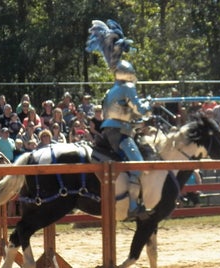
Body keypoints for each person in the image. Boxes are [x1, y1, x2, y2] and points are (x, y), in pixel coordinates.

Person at [87, 20, 151, 220]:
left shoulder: (111, 90)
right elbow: (139, 110)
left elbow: (121, 112)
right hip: (120, 132)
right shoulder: (127, 88)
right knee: (138, 165)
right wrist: (150, 104)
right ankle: (132, 204)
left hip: (110, 130)